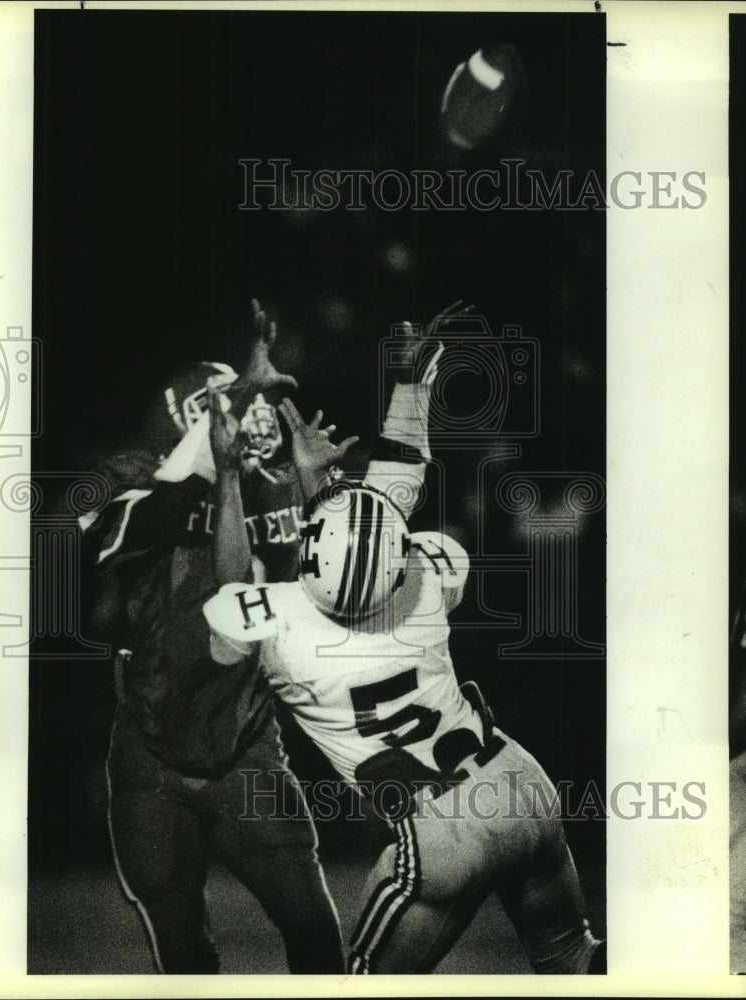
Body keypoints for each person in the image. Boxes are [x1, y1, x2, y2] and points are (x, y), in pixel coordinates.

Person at [201, 323, 606, 975]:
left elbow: (231, 591)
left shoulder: (282, 625)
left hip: (442, 831)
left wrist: (226, 475)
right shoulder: (426, 574)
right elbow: (394, 488)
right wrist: (411, 383)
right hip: (518, 784)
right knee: (573, 957)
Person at [79, 301, 348, 974]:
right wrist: (237, 408)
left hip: (245, 744)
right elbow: (158, 509)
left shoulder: (271, 486)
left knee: (318, 942)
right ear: (193, 417)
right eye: (233, 408)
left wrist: (318, 501)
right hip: (152, 752)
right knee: (184, 960)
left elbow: (302, 592)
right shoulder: (133, 481)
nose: (255, 421)